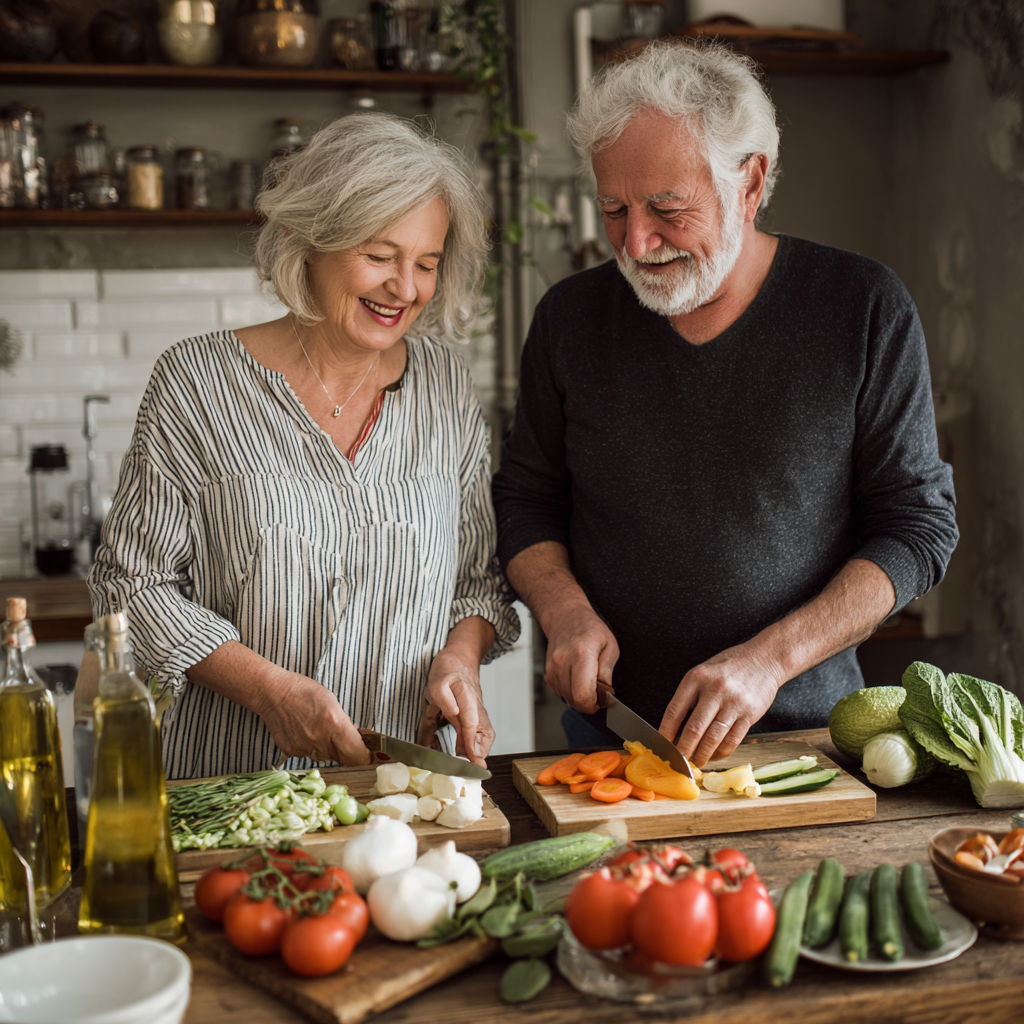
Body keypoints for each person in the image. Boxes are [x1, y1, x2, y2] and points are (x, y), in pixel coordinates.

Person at [492, 41, 957, 767]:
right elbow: (525, 498)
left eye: (668, 210)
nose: (636, 242)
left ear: (751, 182)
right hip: (613, 737)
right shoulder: (569, 319)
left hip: (811, 742)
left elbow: (918, 530)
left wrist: (770, 660)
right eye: (613, 208)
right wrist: (564, 610)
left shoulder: (861, 307)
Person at [90, 113, 519, 780]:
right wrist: (271, 691)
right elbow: (131, 586)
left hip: (397, 794)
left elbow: (475, 582)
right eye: (379, 256)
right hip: (233, 791)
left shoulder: (445, 387)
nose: (405, 289)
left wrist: (460, 658)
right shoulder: (196, 382)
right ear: (309, 239)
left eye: (426, 264)